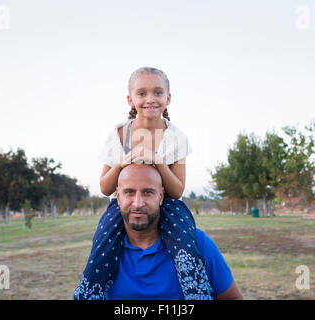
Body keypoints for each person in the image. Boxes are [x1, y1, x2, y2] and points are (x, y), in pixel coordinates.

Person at [74, 67, 215, 300]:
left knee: (187, 250)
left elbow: (177, 190)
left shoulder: (176, 137)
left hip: (166, 205)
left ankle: (197, 295)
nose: (150, 99)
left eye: (158, 93)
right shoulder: (119, 134)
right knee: (101, 251)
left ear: (168, 98)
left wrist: (159, 163)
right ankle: (91, 294)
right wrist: (120, 164)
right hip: (124, 205)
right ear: (130, 99)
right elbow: (105, 188)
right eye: (142, 93)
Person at [78, 164, 243, 300]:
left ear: (161, 196)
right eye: (129, 192)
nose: (137, 203)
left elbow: (232, 297)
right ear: (118, 197)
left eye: (148, 192)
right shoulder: (103, 253)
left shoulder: (198, 244)